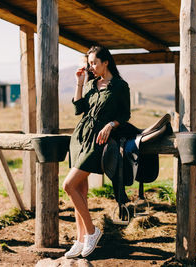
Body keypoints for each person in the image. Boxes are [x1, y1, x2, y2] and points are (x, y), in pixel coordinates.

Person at [62, 46, 131, 258]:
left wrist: (111, 124)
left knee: (68, 185)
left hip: (97, 139)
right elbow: (78, 109)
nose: (91, 67)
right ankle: (80, 238)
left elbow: (125, 114)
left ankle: (92, 232)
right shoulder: (92, 83)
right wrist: (80, 82)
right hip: (80, 137)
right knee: (79, 192)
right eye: (89, 63)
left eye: (94, 63)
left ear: (105, 62)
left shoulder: (120, 86)